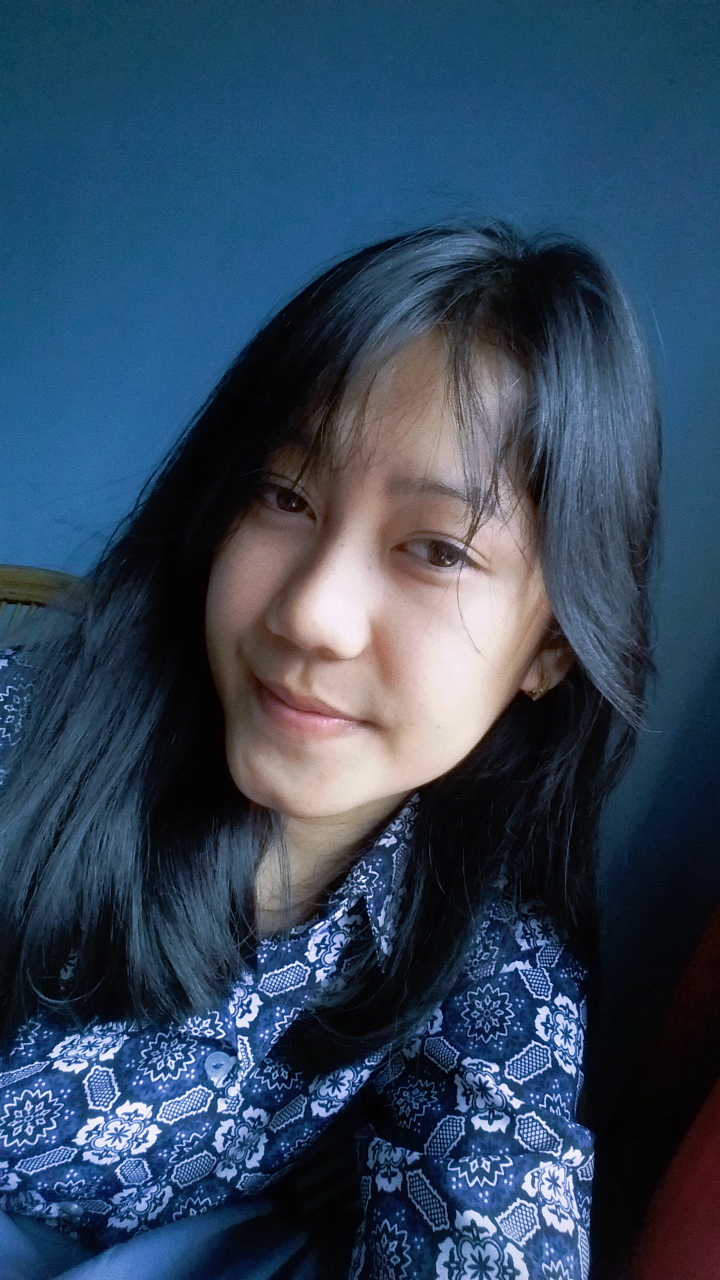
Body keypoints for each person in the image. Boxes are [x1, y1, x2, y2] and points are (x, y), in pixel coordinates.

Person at [0, 224, 659, 1279]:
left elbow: (492, 1200)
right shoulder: (25, 739)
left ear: (551, 647)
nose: (312, 612)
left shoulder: (484, 934)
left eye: (436, 549)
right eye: (284, 495)